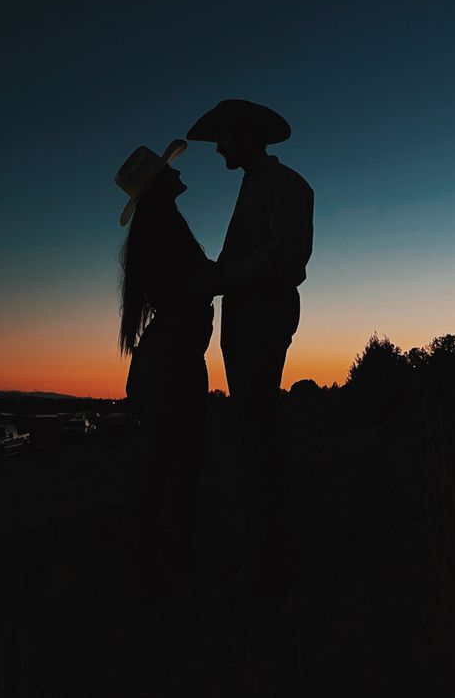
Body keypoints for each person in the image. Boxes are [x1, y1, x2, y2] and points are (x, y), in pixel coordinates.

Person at [186, 99, 314, 591]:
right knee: (252, 428)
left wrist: (220, 278)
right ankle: (266, 552)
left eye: (223, 138)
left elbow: (286, 254)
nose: (218, 147)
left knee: (258, 431)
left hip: (264, 309)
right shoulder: (254, 186)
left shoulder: (287, 185)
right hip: (246, 312)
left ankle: (269, 562)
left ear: (244, 135)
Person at [115, 139, 216, 596]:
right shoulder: (166, 227)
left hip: (168, 358)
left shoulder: (159, 226)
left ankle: (159, 564)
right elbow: (197, 282)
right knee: (176, 463)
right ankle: (168, 566)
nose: (176, 172)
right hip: (174, 360)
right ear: (159, 185)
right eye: (167, 170)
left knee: (166, 463)